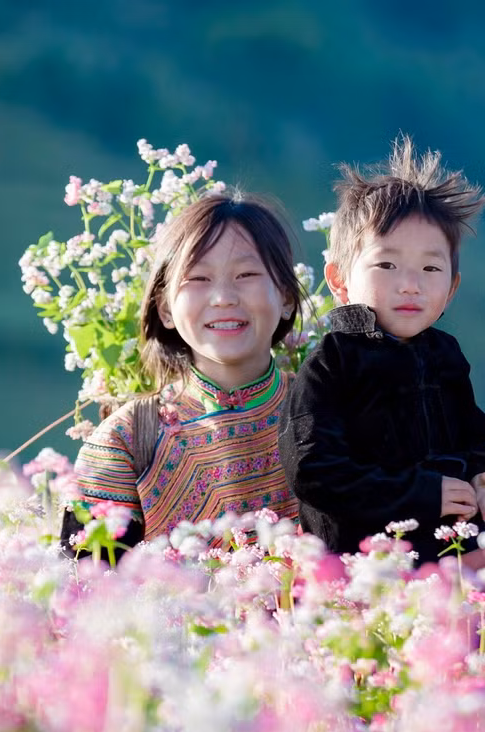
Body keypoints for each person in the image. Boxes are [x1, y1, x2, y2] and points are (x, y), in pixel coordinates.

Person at [278, 136, 485, 563]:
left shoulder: (445, 356)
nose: (410, 284)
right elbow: (313, 470)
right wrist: (421, 494)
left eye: (431, 268)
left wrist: (482, 474)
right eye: (386, 265)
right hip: (357, 569)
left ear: (451, 288)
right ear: (339, 280)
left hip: (444, 561)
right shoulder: (333, 364)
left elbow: (476, 438)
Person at [61, 191, 306, 557]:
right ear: (165, 309)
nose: (223, 297)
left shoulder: (328, 414)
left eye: (246, 274)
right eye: (198, 279)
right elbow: (87, 589)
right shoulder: (124, 442)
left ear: (286, 297)